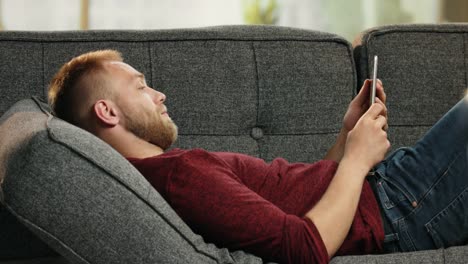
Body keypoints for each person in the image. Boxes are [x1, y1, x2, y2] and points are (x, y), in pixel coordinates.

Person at [47, 50, 468, 264]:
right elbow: (305, 248)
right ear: (107, 112)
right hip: (400, 209)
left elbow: (305, 201)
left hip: (391, 198)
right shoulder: (178, 176)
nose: (159, 94)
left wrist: (346, 136)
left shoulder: (164, 175)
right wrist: (357, 161)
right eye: (141, 88)